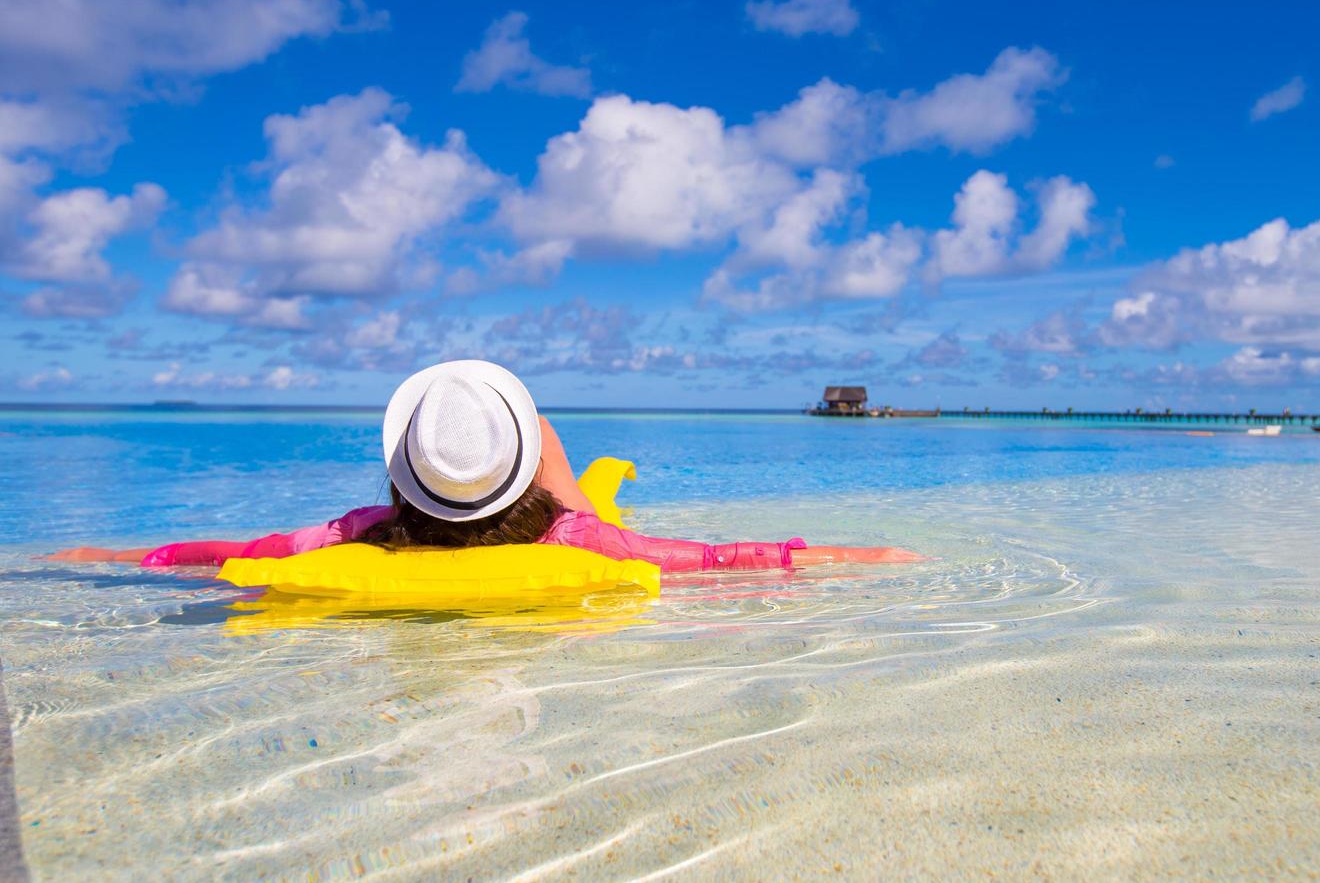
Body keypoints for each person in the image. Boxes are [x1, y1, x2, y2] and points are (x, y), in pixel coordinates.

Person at [49, 360, 918, 572]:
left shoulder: (369, 532)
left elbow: (250, 550)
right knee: (582, 492)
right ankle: (541, 448)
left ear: (403, 474)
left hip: (455, 524)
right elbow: (718, 561)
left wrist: (124, 559)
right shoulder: (581, 539)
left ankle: (512, 448)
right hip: (558, 525)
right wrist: (859, 559)